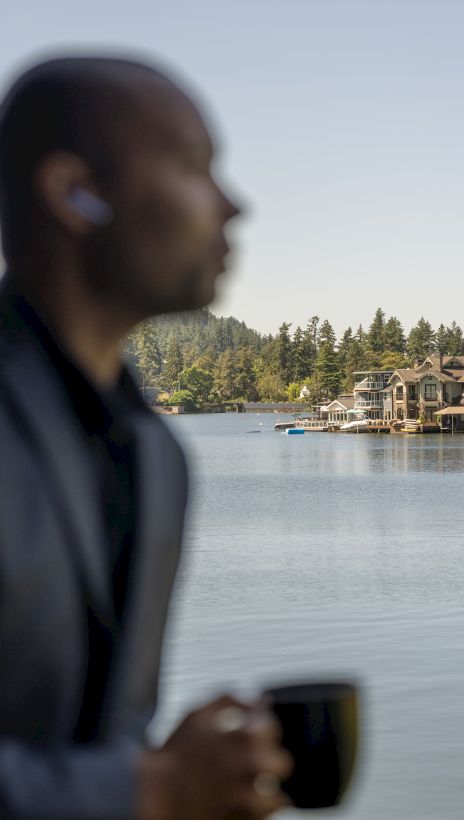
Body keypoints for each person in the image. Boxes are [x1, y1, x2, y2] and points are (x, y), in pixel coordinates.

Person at [0, 56, 292, 820]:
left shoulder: (158, 458)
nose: (234, 205)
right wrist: (151, 789)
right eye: (196, 167)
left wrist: (188, 779)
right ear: (76, 192)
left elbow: (105, 741)